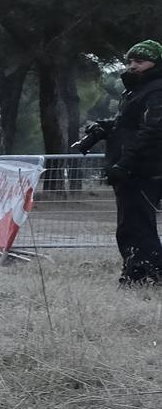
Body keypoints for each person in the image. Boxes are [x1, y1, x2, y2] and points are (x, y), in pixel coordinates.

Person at [79, 40, 162, 285]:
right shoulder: (136, 90)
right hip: (133, 168)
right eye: (130, 61)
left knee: (138, 227)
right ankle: (138, 273)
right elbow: (129, 125)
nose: (132, 66)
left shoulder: (156, 90)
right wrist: (103, 129)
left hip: (143, 169)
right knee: (130, 227)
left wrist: (125, 163)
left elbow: (154, 131)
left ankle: (146, 276)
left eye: (140, 61)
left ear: (155, 63)